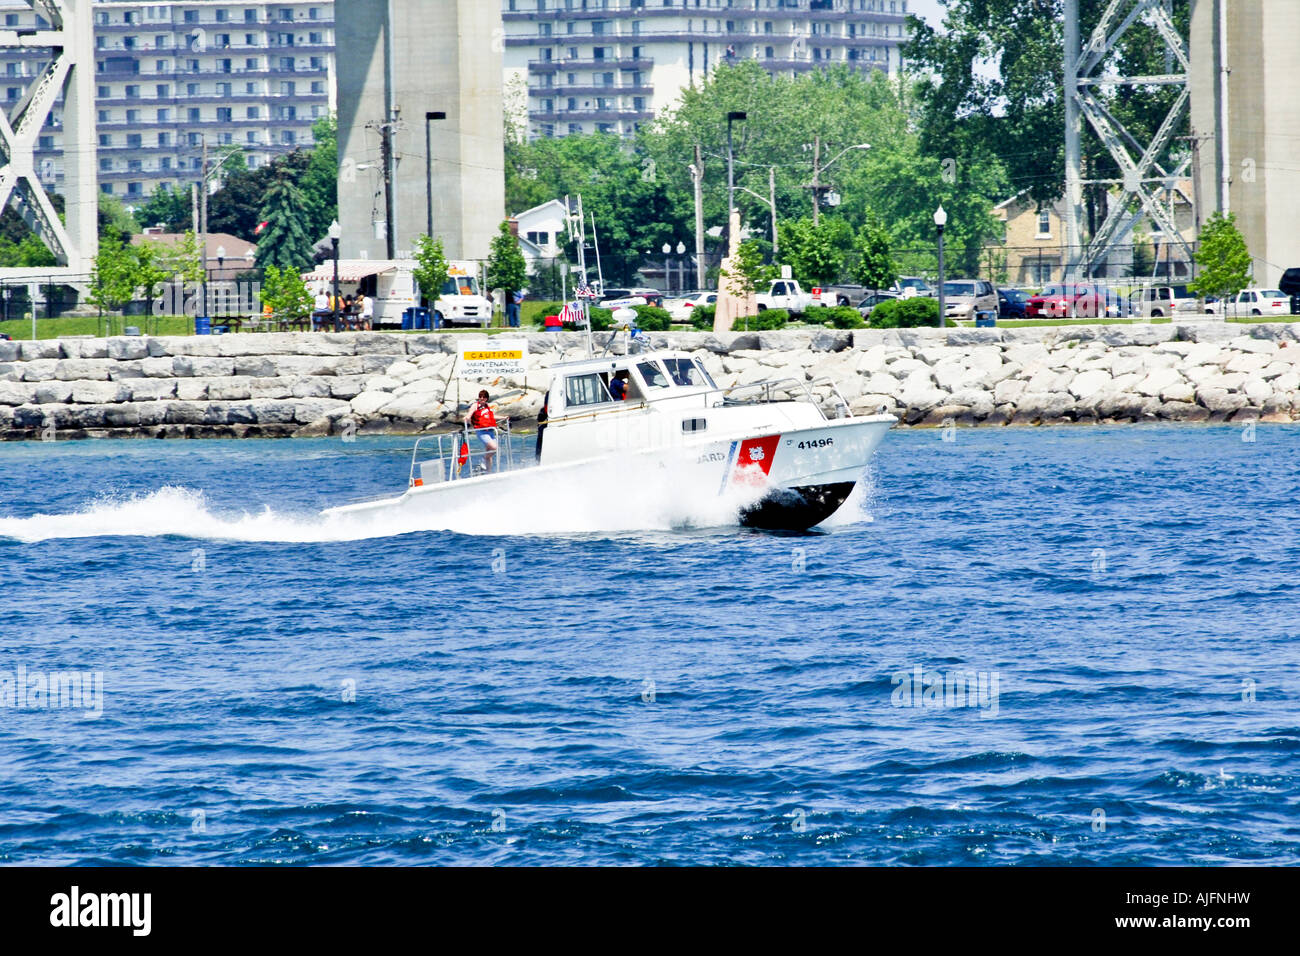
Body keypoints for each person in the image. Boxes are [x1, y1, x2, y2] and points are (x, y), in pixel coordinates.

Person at [464, 389, 498, 473]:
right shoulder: (475, 405)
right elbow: (470, 413)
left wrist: (504, 417)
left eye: (483, 397)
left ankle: (488, 472)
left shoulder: (487, 406)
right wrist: (467, 417)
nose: (481, 398)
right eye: (480, 397)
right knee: (494, 448)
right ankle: (483, 461)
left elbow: (492, 417)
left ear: (486, 398)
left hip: (490, 431)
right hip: (482, 431)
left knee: (489, 454)